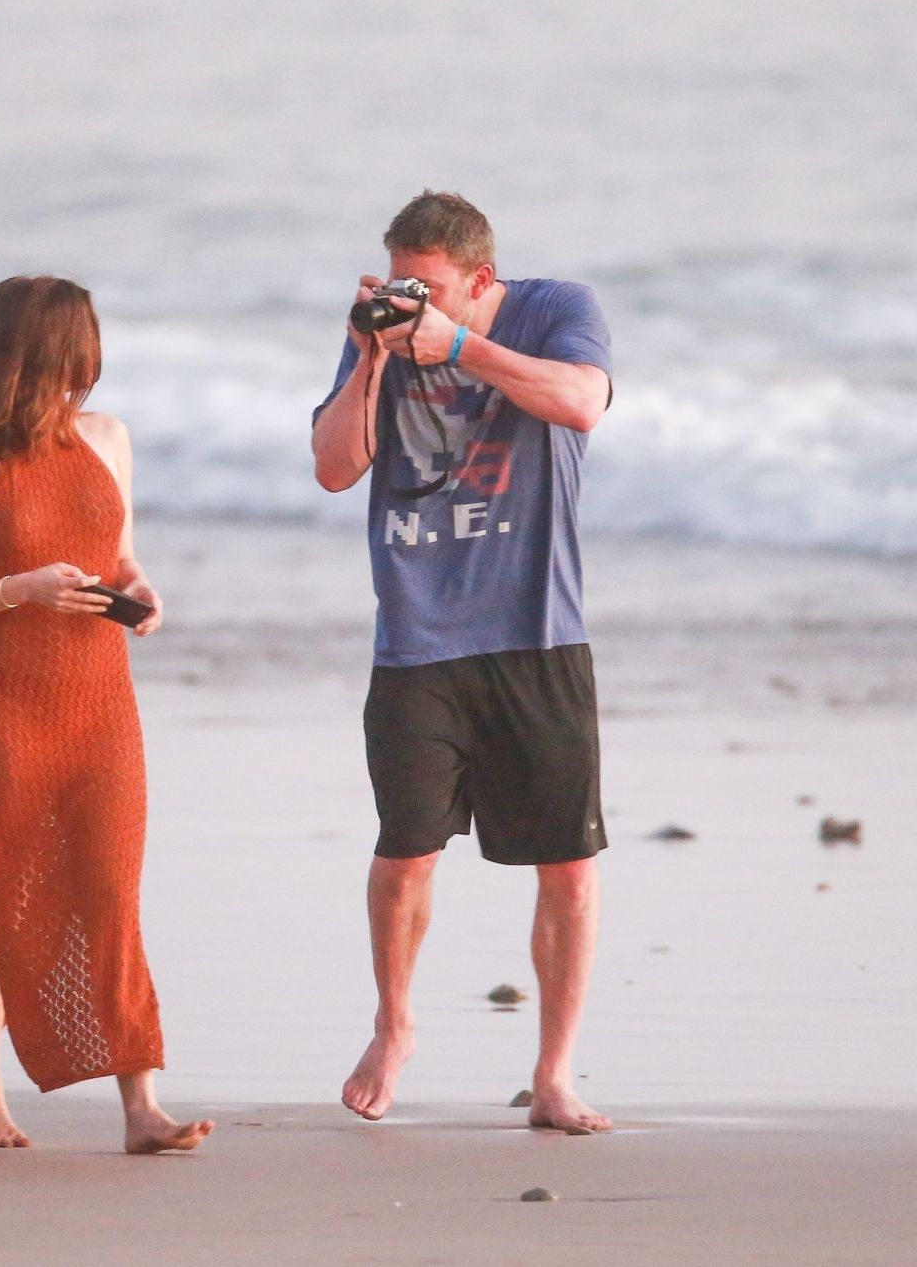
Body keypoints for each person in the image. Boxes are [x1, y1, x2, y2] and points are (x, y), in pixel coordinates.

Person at [311, 191, 614, 1132]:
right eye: (402, 282)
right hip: (417, 637)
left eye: (430, 287)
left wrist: (459, 347)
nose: (412, 301)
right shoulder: (386, 338)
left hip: (536, 634)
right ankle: (394, 1026)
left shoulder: (555, 309)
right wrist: (369, 358)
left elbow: (582, 401)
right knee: (404, 856)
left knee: (566, 865)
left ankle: (555, 1075)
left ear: (479, 281)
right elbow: (332, 466)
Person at [0, 275, 212, 1153]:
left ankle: (140, 1107)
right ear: (40, 348)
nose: (88, 366)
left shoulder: (110, 439)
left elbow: (118, 555)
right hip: (4, 705)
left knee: (111, 890)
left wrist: (141, 590)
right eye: (77, 346)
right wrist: (25, 588)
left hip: (102, 704)